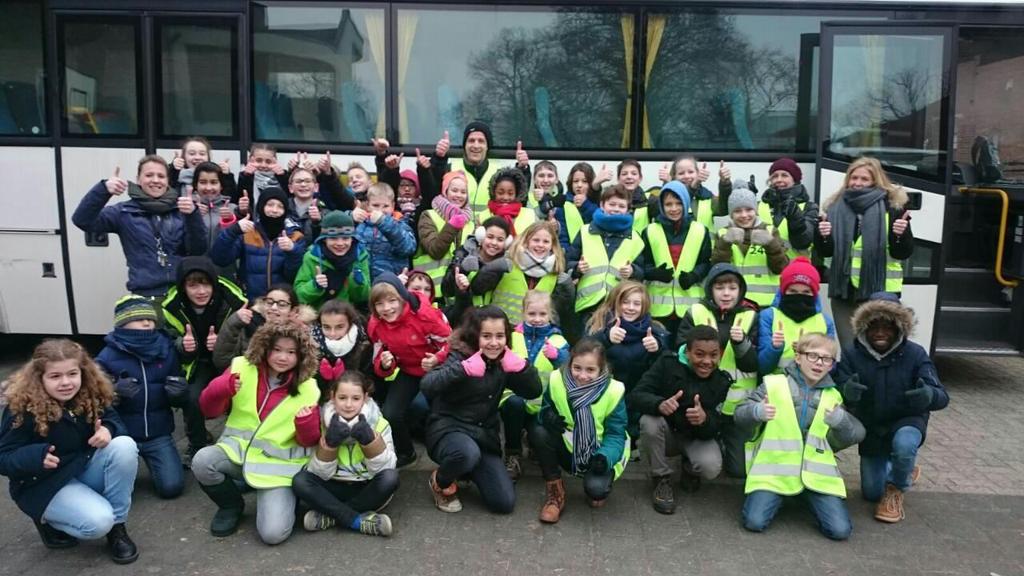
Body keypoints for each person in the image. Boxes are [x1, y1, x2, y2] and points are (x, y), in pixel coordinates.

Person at [0, 339, 140, 563]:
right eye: (55, 376)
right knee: (97, 524)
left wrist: (108, 430)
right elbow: (3, 456)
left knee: (124, 445)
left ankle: (117, 529)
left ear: (82, 372)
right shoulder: (21, 407)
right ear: (39, 377)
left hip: (81, 467)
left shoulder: (90, 392)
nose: (66, 382)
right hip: (44, 482)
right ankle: (46, 519)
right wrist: (34, 457)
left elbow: (115, 421)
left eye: (72, 374)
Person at [192, 322, 320, 545]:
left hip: (276, 471)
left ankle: (287, 498)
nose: (283, 357)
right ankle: (231, 506)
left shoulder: (309, 388)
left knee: (273, 535)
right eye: (277, 349)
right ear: (264, 347)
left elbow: (308, 441)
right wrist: (221, 388)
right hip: (237, 455)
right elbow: (208, 411)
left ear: (302, 356)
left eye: (291, 352)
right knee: (202, 461)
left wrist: (306, 423)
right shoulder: (240, 366)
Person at [736, 333, 865, 541]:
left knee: (841, 531)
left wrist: (841, 422)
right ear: (798, 357)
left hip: (816, 476)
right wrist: (757, 411)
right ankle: (787, 495)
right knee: (754, 522)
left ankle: (803, 495)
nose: (819, 363)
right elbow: (740, 415)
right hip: (774, 473)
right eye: (812, 356)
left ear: (832, 365)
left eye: (826, 359)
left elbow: (848, 437)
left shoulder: (834, 396)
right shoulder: (773, 384)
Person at [835, 292, 949, 523]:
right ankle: (904, 467)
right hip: (872, 425)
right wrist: (846, 392)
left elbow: (942, 396)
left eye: (888, 326)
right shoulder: (851, 354)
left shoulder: (915, 354)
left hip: (906, 419)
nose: (880, 332)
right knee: (871, 492)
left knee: (904, 445)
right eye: (873, 325)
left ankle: (897, 487)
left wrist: (928, 396)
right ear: (864, 327)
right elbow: (836, 387)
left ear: (899, 328)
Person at [420, 306, 541, 514]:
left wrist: (523, 368)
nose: (494, 342)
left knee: (503, 503)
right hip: (449, 430)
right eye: (486, 336)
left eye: (499, 336)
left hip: (483, 436)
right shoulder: (460, 355)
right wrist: (463, 369)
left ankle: (466, 470)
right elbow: (428, 385)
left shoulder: (504, 360)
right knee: (466, 453)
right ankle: (440, 481)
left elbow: (533, 391)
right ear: (476, 336)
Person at [629, 326, 732, 514]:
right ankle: (661, 480)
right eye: (699, 354)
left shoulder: (723, 380)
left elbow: (719, 425)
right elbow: (636, 395)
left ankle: (689, 468)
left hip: (695, 436)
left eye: (713, 355)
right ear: (688, 351)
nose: (707, 361)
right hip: (666, 432)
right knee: (649, 422)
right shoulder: (667, 363)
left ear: (720, 354)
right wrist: (659, 404)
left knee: (711, 467)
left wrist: (704, 419)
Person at [72, 155, 207, 297]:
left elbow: (198, 249)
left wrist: (193, 215)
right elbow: (82, 220)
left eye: (161, 176)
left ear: (167, 181)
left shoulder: (181, 209)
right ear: (138, 179)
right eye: (149, 175)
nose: (155, 180)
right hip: (145, 295)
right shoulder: (123, 212)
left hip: (180, 293)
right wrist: (103, 190)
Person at [816, 157, 914, 347]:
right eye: (854, 178)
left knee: (879, 347)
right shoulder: (834, 207)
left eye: (864, 179)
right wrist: (823, 236)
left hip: (880, 293)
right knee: (850, 348)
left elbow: (903, 253)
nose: (857, 183)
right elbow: (825, 252)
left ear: (875, 181)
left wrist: (901, 235)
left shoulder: (892, 208)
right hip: (844, 293)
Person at [528, 338, 628, 523]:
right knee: (538, 430)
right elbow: (545, 408)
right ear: (570, 363)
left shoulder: (614, 390)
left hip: (598, 451)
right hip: (568, 445)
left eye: (590, 370)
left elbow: (616, 434)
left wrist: (605, 457)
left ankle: (598, 481)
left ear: (601, 368)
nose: (582, 376)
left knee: (596, 492)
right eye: (577, 368)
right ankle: (555, 493)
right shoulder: (557, 378)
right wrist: (548, 416)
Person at [675, 263, 759, 478]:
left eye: (732, 288)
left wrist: (742, 344)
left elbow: (753, 364)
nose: (726, 293)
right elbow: (680, 350)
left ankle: (721, 446)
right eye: (720, 287)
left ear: (740, 291)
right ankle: (690, 462)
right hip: (702, 400)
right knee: (700, 446)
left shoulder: (751, 316)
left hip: (736, 405)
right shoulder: (696, 312)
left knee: (738, 471)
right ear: (710, 289)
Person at [97, 295, 184, 498]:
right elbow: (93, 398)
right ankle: (120, 465)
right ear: (123, 323)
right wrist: (114, 391)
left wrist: (180, 394)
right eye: (139, 319)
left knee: (172, 488)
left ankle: (155, 463)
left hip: (158, 433)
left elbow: (177, 386)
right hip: (122, 435)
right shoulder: (107, 355)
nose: (147, 322)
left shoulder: (166, 348)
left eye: (150, 319)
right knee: (109, 489)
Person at [161, 256, 246, 464]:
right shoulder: (171, 306)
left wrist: (224, 340)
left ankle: (240, 441)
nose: (201, 291)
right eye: (193, 285)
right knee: (191, 397)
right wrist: (183, 346)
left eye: (206, 284)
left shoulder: (233, 299)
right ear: (183, 287)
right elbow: (166, 341)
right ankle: (197, 443)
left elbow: (248, 339)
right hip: (197, 362)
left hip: (229, 358)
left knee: (240, 392)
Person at [293, 371, 398, 537]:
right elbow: (318, 473)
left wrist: (369, 442)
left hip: (365, 486)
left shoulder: (380, 423)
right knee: (300, 481)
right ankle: (358, 521)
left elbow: (385, 469)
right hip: (333, 486)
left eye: (356, 398)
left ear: (366, 397)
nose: (348, 405)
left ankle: (332, 516)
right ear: (333, 397)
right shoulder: (320, 422)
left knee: (390, 478)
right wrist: (330, 445)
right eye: (342, 398)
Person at [368, 273, 451, 468]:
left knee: (442, 413)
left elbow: (452, 344)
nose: (387, 308)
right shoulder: (376, 325)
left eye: (392, 300)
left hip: (438, 369)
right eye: (380, 304)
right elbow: (378, 359)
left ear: (402, 297)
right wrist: (386, 364)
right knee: (390, 412)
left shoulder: (425, 316)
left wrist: (437, 358)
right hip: (409, 370)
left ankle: (449, 456)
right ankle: (406, 452)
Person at [501, 290, 570, 480]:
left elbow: (569, 370)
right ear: (523, 313)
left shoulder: (558, 341)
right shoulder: (512, 337)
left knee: (539, 436)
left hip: (541, 405)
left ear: (550, 315)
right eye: (532, 314)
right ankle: (513, 452)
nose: (537, 319)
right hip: (513, 401)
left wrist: (558, 357)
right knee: (514, 405)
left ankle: (532, 443)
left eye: (542, 314)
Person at [586, 281, 670, 418]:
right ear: (615, 302)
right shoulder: (598, 324)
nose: (631, 308)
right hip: (602, 399)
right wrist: (606, 338)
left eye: (637, 304)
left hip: (638, 403)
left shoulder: (656, 331)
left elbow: (665, 370)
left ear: (644, 307)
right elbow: (581, 352)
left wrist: (658, 348)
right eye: (625, 302)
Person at [641, 180, 713, 337]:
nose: (674, 209)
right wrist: (654, 273)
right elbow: (642, 265)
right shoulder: (650, 230)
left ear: (686, 203)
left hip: (691, 308)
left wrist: (695, 276)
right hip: (657, 309)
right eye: (668, 204)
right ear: (662, 206)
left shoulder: (700, 230)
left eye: (678, 203)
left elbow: (706, 263)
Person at [210, 185, 306, 300]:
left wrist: (292, 251)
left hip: (280, 303)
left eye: (280, 207)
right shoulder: (248, 232)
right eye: (270, 205)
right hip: (252, 301)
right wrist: (232, 231)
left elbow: (293, 276)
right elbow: (220, 259)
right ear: (261, 206)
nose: (275, 210)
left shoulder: (295, 236)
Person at [567, 185, 646, 323]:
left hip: (620, 307)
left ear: (628, 209)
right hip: (588, 306)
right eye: (612, 204)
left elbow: (642, 271)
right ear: (602, 205)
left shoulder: (636, 238)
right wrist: (577, 268)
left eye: (621, 206)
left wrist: (632, 271)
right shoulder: (585, 231)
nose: (616, 209)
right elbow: (568, 262)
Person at [712, 180, 789, 307]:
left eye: (749, 209)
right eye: (737, 211)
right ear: (731, 214)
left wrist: (771, 244)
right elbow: (717, 269)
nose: (744, 215)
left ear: (756, 210)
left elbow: (780, 269)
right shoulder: (722, 233)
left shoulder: (770, 231)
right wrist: (725, 243)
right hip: (735, 304)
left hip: (767, 304)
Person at [758, 257, 836, 375]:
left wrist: (810, 354)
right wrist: (775, 348)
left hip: (811, 388)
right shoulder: (769, 316)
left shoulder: (825, 322)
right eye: (793, 292)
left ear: (814, 294)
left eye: (806, 292)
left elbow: (832, 368)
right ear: (784, 292)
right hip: (775, 388)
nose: (799, 297)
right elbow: (762, 367)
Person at [433, 121, 531, 216]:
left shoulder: (500, 173)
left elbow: (519, 200)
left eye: (481, 141)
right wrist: (438, 158)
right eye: (471, 141)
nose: (476, 146)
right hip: (457, 230)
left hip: (490, 230)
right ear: (465, 145)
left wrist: (522, 169)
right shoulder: (450, 169)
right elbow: (432, 192)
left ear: (487, 146)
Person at [489, 221, 574, 326]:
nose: (540, 245)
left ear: (552, 245)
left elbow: (560, 314)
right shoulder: (506, 263)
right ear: (526, 241)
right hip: (501, 330)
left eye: (546, 241)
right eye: (536, 240)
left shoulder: (558, 276)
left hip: (536, 333)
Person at [212, 284, 311, 371]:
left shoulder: (302, 333)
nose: (274, 308)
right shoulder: (247, 325)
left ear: (293, 310)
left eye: (282, 305)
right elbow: (223, 362)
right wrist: (233, 323)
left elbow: (307, 369)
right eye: (269, 302)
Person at [413, 170, 473, 301]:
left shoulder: (471, 223)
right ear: (445, 191)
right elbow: (435, 251)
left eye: (463, 192)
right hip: (432, 294)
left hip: (460, 294)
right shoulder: (428, 216)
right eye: (454, 190)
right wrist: (452, 225)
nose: (459, 195)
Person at [441, 217, 513, 323]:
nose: (494, 243)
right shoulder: (462, 254)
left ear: (506, 243)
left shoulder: (504, 265)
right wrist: (462, 269)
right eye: (490, 237)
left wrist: (491, 268)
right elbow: (446, 290)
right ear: (481, 236)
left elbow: (478, 288)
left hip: (487, 321)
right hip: (458, 318)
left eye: (500, 240)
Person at [294, 210, 371, 309]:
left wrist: (358, 283)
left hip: (347, 315)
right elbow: (298, 295)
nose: (340, 243)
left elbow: (363, 297)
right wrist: (315, 286)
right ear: (324, 239)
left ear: (352, 239)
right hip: (319, 315)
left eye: (345, 238)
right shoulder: (312, 257)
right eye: (333, 238)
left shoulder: (360, 256)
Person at [353, 182, 417, 282]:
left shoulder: (401, 224)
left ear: (393, 206)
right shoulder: (361, 224)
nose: (380, 210)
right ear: (368, 205)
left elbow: (408, 248)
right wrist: (350, 216)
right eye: (375, 205)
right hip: (363, 284)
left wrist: (384, 222)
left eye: (385, 206)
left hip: (391, 284)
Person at [311, 300, 373, 401]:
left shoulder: (363, 345)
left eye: (339, 327)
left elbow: (368, 381)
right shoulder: (311, 346)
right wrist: (322, 377)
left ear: (350, 324)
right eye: (326, 327)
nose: (332, 334)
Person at [757, 158, 818, 258]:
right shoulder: (758, 206)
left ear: (795, 180)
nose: (779, 179)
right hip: (761, 272)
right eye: (775, 176)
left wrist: (795, 218)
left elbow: (803, 243)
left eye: (784, 175)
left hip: (794, 271)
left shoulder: (809, 207)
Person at [189, 161, 240, 278]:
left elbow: (238, 245)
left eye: (214, 182)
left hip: (225, 275)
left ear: (221, 185)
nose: (208, 187)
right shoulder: (188, 209)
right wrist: (192, 216)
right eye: (203, 182)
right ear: (195, 185)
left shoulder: (232, 209)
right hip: (195, 276)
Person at [659, 155, 731, 230]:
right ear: (674, 176)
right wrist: (667, 184)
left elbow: (725, 209)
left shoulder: (707, 197)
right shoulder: (666, 199)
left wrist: (725, 183)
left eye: (691, 172)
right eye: (681, 173)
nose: (686, 176)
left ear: (698, 173)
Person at [169, 136, 237, 201]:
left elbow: (231, 200)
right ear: (184, 156)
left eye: (202, 154)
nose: (197, 157)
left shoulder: (218, 176)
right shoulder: (177, 176)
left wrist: (227, 176)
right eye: (192, 154)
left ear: (208, 157)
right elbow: (168, 195)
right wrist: (173, 170)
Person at [475, 167, 536, 236]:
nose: (505, 197)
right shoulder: (481, 217)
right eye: (500, 193)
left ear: (517, 194)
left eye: (510, 193)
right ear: (493, 193)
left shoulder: (530, 215)